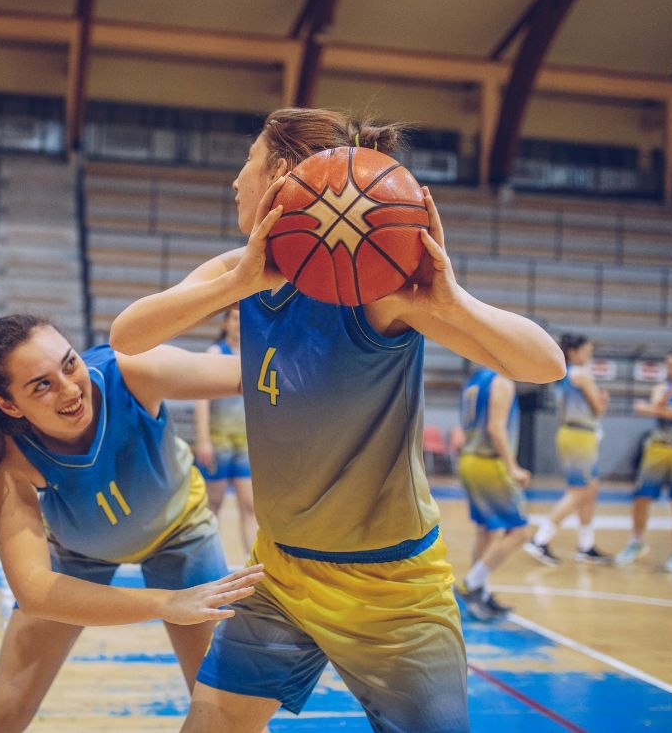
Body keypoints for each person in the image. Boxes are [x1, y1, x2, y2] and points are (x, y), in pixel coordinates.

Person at [109, 107, 566, 733]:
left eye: (248, 161)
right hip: (282, 573)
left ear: (284, 178)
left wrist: (454, 302)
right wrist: (239, 279)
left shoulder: (380, 293)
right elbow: (128, 336)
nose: (235, 181)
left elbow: (546, 365)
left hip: (393, 588)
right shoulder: (238, 275)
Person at [0, 314, 266, 732]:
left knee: (227, 716)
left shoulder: (133, 371)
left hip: (184, 533)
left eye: (69, 364)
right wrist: (163, 603)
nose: (69, 389)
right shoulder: (9, 454)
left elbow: (254, 375)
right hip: (77, 550)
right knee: (4, 709)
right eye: (42, 385)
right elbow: (33, 589)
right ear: (8, 404)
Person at [616, 347, 672, 574]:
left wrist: (652, 408)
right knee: (641, 497)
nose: (671, 370)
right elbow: (658, 407)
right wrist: (660, 403)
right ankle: (636, 541)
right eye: (668, 365)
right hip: (658, 447)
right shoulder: (661, 387)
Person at [524, 333, 612, 566]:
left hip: (574, 433)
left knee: (590, 488)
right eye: (587, 351)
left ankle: (586, 545)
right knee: (579, 490)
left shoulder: (563, 373)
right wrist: (603, 400)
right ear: (573, 352)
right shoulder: (581, 374)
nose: (589, 355)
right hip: (579, 434)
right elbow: (598, 409)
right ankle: (540, 539)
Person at [455, 367, 530, 621]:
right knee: (519, 532)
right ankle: (471, 584)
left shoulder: (476, 380)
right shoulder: (501, 382)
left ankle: (482, 594)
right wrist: (513, 467)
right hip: (488, 462)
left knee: (486, 530)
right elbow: (496, 428)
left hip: (469, 459)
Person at [193, 306, 256, 559]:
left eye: (243, 320)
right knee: (212, 506)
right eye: (235, 319)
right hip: (218, 443)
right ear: (225, 324)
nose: (239, 324)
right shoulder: (215, 353)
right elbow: (201, 399)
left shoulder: (254, 356)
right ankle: (206, 561)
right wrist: (203, 439)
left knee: (250, 506)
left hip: (245, 443)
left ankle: (253, 565)